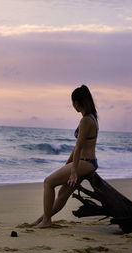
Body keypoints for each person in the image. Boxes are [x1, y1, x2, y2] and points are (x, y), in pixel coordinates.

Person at [32, 85, 99, 228]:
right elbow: (77, 147)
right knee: (62, 193)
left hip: (84, 162)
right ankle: (42, 219)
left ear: (78, 102)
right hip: (88, 162)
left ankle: (46, 221)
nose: (73, 105)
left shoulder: (86, 120)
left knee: (48, 182)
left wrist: (73, 171)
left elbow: (79, 147)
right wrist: (68, 164)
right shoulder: (91, 118)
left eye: (73, 102)